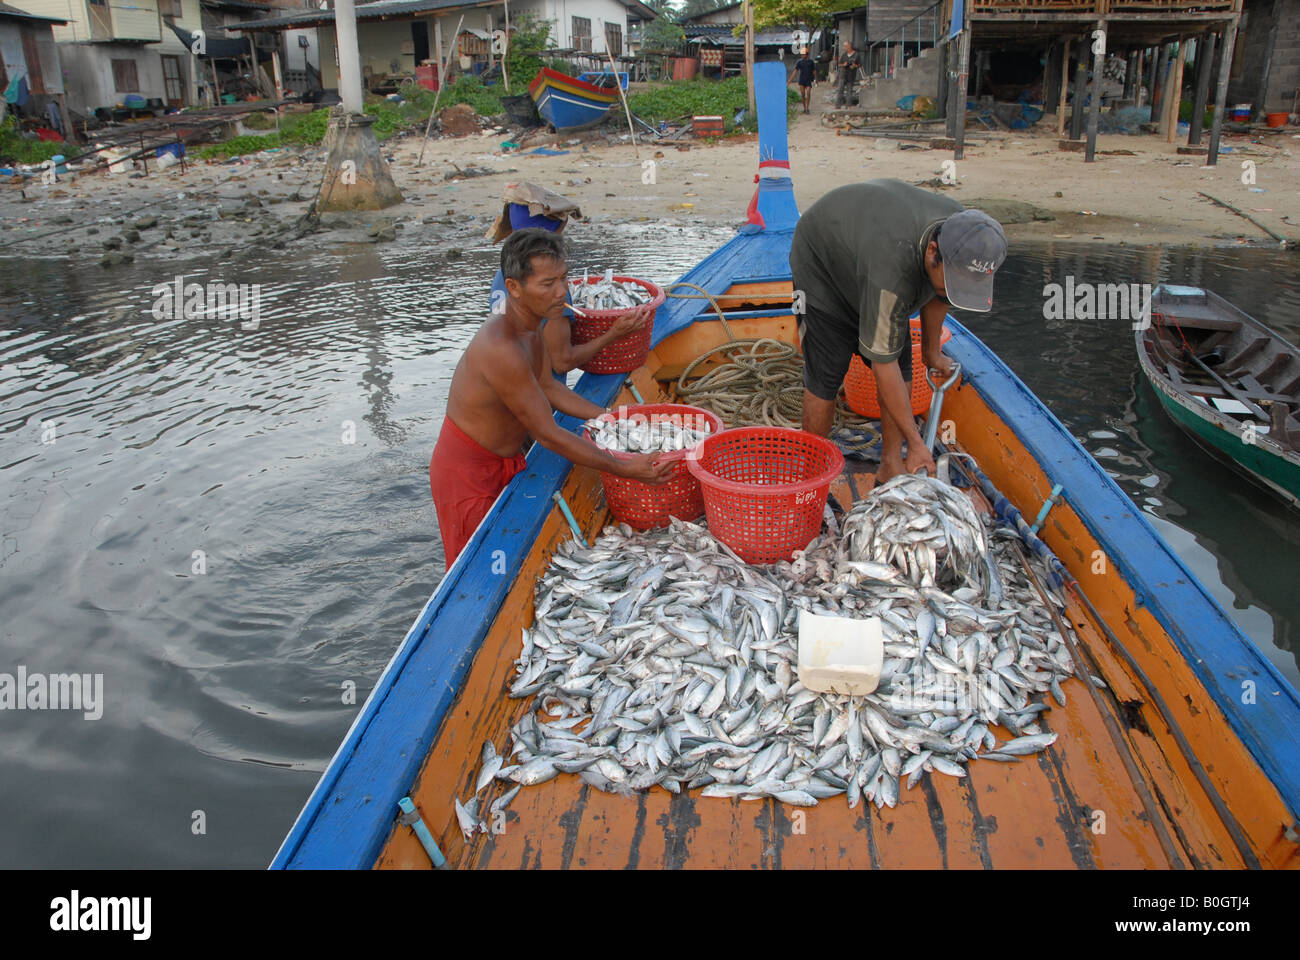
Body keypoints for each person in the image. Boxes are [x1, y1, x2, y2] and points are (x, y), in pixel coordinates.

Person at [431, 228, 672, 566]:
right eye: (547, 284)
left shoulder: (531, 328)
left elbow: (549, 386)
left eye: (564, 278)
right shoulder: (502, 347)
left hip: (504, 456)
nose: (562, 293)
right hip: (468, 474)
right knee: (474, 563)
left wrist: (614, 419)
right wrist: (625, 468)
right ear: (514, 287)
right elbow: (547, 434)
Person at [790, 179, 1007, 482]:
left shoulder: (964, 235)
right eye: (953, 281)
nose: (955, 289)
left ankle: (890, 465)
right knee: (825, 377)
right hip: (823, 268)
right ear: (933, 252)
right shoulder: (891, 267)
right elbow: (883, 365)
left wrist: (932, 352)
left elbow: (941, 294)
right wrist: (916, 443)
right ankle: (809, 479)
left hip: (874, 257)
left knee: (904, 373)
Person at [486, 181, 648, 375]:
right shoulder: (555, 295)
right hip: (539, 398)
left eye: (563, 277)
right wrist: (613, 334)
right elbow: (561, 362)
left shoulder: (505, 274)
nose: (561, 288)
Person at [789, 47, 816, 114]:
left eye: (804, 54)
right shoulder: (799, 62)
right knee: (803, 94)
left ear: (807, 55)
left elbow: (814, 71)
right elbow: (795, 71)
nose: (803, 55)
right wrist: (790, 80)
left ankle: (807, 107)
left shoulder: (811, 62)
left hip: (808, 79)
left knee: (808, 93)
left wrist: (816, 79)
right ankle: (804, 108)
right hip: (802, 80)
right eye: (802, 54)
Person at [835, 41, 861, 108]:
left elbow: (860, 64)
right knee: (840, 90)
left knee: (849, 91)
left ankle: (848, 105)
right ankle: (838, 105)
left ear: (849, 46)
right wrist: (844, 64)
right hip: (843, 74)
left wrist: (855, 66)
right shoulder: (844, 55)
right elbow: (839, 64)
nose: (844, 48)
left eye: (845, 46)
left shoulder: (856, 55)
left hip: (851, 75)